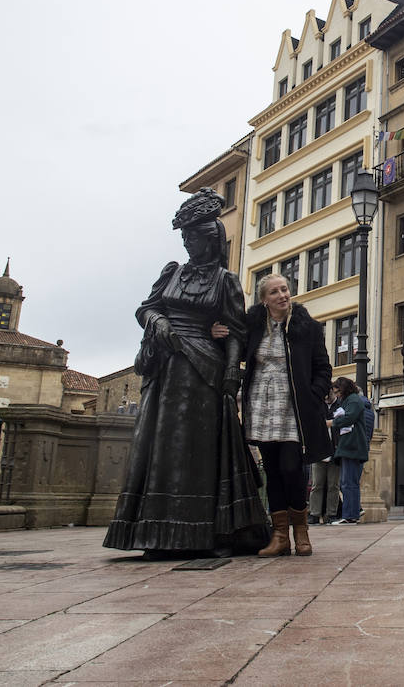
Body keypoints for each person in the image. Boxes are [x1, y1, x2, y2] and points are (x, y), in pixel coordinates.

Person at [104, 188, 268, 558]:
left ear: (210, 240)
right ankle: (155, 532)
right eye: (185, 237)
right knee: (160, 448)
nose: (187, 243)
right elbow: (145, 309)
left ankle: (202, 532)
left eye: (193, 237)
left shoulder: (225, 281)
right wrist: (159, 321)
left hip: (203, 372)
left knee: (197, 452)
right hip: (166, 369)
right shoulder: (172, 274)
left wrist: (230, 373)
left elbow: (236, 332)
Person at [239, 273, 334, 557]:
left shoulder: (309, 328)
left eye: (284, 289)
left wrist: (313, 394)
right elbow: (237, 351)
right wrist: (220, 336)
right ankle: (280, 536)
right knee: (273, 470)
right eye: (274, 292)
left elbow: (323, 368)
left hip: (294, 407)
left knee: (292, 468)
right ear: (264, 300)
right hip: (262, 404)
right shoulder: (254, 326)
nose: (282, 295)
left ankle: (301, 531)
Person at [329, 377, 370, 524]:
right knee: (346, 482)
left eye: (338, 391)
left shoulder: (353, 400)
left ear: (344, 388)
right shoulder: (349, 400)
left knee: (348, 482)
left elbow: (349, 418)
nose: (337, 395)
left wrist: (332, 423)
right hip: (349, 446)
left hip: (352, 447)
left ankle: (350, 515)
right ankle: (351, 513)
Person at [308, 393, 341, 525]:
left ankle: (331, 514)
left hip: (335, 450)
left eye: (329, 394)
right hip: (319, 450)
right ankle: (314, 513)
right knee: (317, 484)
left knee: (334, 485)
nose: (326, 397)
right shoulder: (317, 405)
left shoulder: (340, 406)